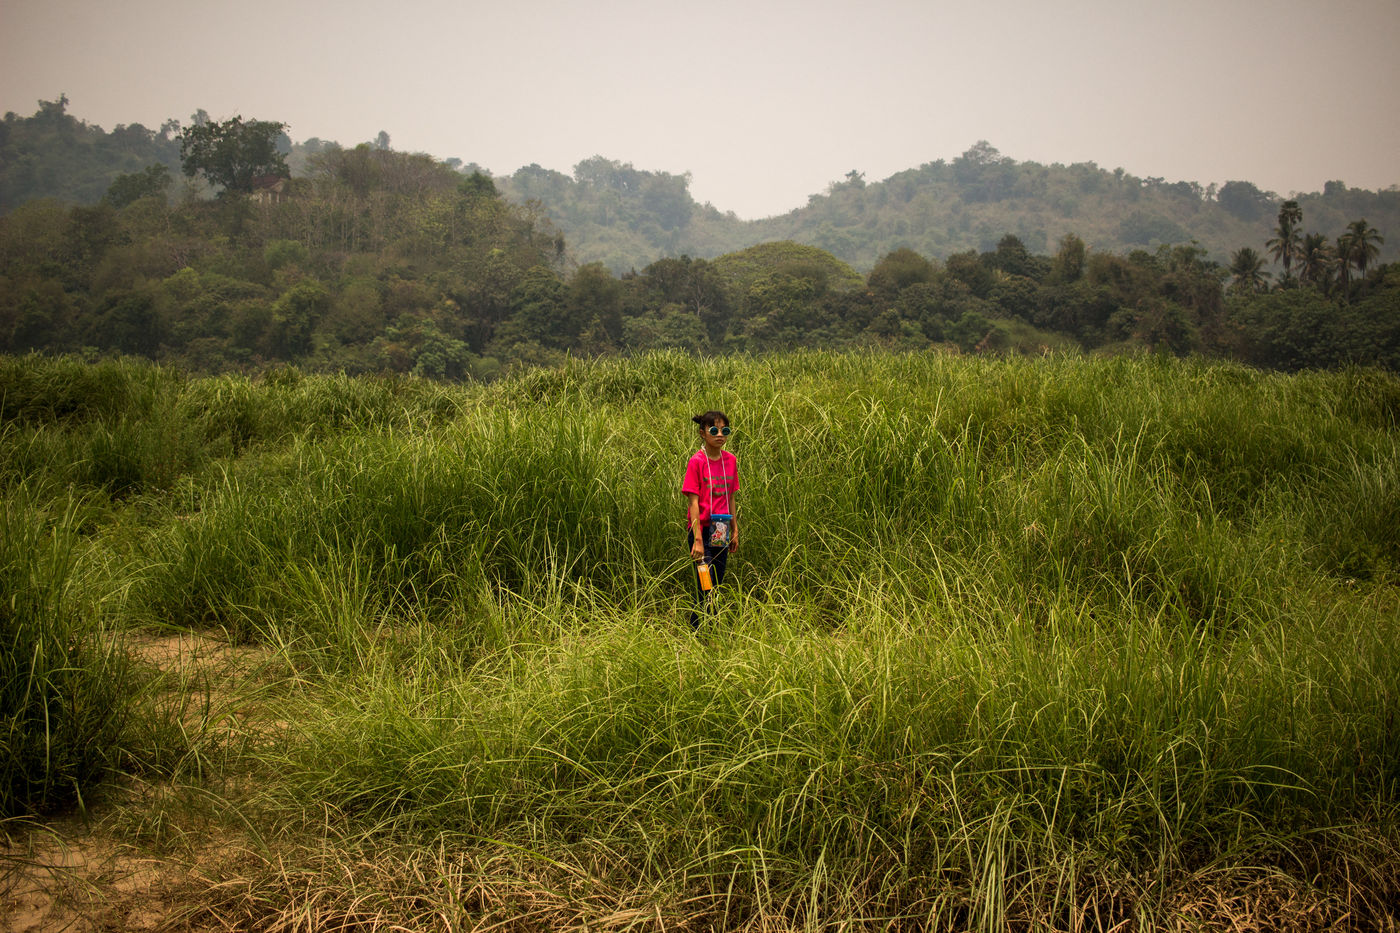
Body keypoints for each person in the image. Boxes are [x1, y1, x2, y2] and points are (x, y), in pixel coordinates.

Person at [681, 410, 738, 628]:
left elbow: (730, 496)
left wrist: (734, 529)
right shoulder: (696, 462)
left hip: (721, 527)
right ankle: (697, 630)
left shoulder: (730, 461)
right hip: (701, 529)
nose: (720, 435)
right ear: (702, 433)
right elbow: (693, 503)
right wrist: (697, 539)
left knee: (717, 581)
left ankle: (711, 630)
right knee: (705, 582)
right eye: (714, 430)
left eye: (725, 430)